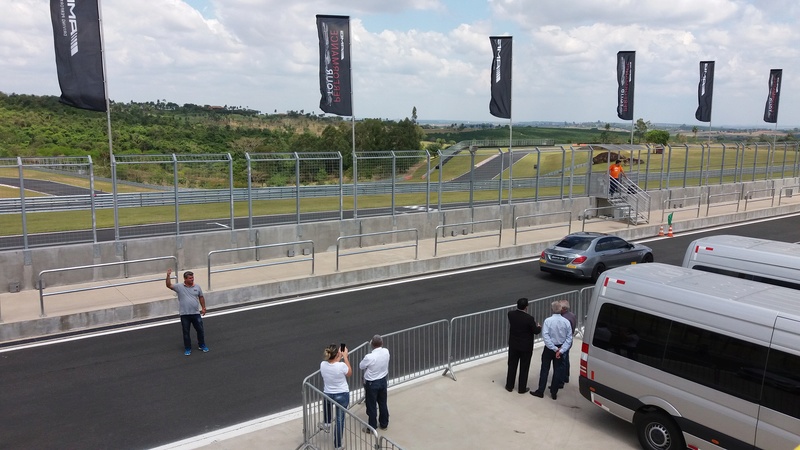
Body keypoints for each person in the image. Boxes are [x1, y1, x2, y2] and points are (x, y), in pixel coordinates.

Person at [531, 300, 573, 400]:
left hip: (550, 348)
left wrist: (554, 348)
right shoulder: (566, 322)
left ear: (552, 309)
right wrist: (561, 350)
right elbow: (569, 338)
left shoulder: (548, 321)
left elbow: (545, 336)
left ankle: (541, 390)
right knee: (557, 370)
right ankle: (554, 392)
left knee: (545, 369)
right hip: (560, 347)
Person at [166, 269, 208, 356]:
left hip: (196, 313)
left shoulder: (197, 287)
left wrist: (203, 307)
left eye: (192, 278)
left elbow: (201, 297)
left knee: (200, 330)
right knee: (186, 332)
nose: (192, 279)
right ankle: (187, 348)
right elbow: (169, 285)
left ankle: (202, 345)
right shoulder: (179, 287)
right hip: (184, 314)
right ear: (185, 279)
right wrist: (168, 276)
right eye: (190, 278)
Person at [505, 298, 542, 394]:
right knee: (524, 367)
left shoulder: (511, 314)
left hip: (514, 345)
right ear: (526, 307)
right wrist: (539, 327)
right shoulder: (529, 319)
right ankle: (521, 388)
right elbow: (535, 331)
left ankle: (509, 385)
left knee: (512, 365)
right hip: (525, 347)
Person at [320, 343, 352, 450]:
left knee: (328, 407)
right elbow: (349, 373)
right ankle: (338, 445)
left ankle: (327, 423)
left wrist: (339, 357)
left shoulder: (323, 364)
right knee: (339, 420)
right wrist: (345, 357)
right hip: (342, 394)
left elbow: (333, 365)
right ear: (336, 354)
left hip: (328, 394)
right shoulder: (342, 366)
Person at [359, 334, 390, 431]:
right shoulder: (386, 351)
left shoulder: (370, 357)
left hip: (372, 383)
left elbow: (361, 366)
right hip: (382, 380)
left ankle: (372, 426)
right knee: (383, 403)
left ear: (372, 344)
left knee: (371, 405)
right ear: (382, 343)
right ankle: (384, 423)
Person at [559, 300, 577, 384]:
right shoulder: (572, 315)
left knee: (563, 360)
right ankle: (566, 376)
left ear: (563, 308)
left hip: (564, 341)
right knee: (566, 359)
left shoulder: (564, 319)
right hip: (569, 341)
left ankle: (561, 379)